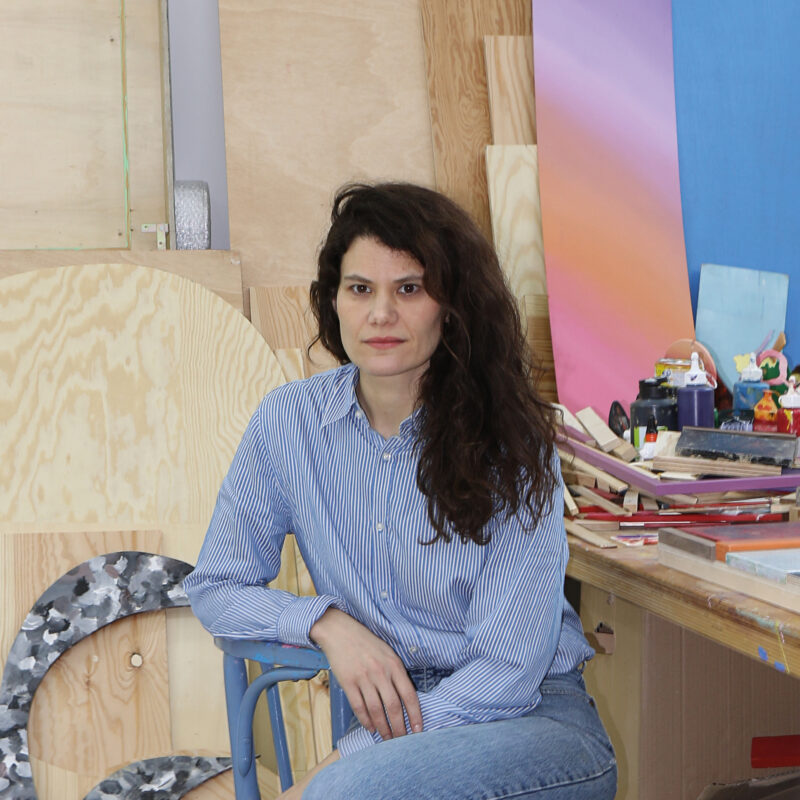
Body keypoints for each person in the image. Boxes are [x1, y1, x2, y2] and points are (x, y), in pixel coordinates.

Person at [184, 182, 617, 800]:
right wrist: (325, 622)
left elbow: (508, 670)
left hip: (532, 724)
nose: (380, 314)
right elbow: (215, 587)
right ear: (332, 301)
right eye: (360, 289)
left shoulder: (510, 441)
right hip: (385, 723)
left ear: (451, 305)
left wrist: (342, 762)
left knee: (343, 794)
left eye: (408, 289)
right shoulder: (290, 423)